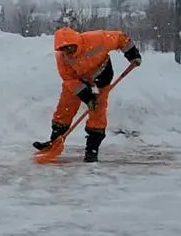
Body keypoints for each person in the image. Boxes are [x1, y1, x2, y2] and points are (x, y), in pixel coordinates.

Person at [33, 25, 141, 163]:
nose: (68, 50)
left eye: (70, 47)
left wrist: (133, 54)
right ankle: (54, 141)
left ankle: (92, 150)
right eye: (63, 49)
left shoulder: (97, 39)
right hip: (79, 79)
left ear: (76, 42)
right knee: (65, 106)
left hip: (101, 75)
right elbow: (69, 79)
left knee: (98, 110)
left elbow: (120, 38)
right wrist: (86, 96)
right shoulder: (62, 58)